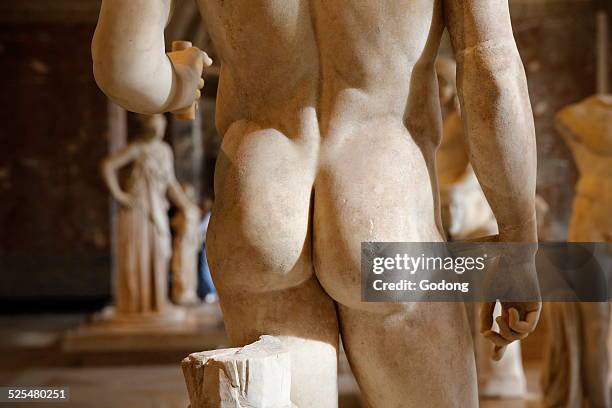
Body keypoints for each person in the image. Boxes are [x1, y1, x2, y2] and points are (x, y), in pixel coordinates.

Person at [92, 1, 541, 406]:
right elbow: (494, 75)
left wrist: (181, 83)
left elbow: (123, 69)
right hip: (384, 199)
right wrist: (518, 245)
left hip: (260, 190)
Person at [102, 114, 198, 317]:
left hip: (157, 209)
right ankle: (139, 305)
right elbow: (108, 166)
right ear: (146, 126)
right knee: (139, 254)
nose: (158, 129)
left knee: (160, 252)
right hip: (138, 210)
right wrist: (119, 195)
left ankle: (158, 303)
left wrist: (186, 205)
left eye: (161, 124)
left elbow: (170, 183)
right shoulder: (137, 148)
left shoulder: (165, 151)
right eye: (154, 125)